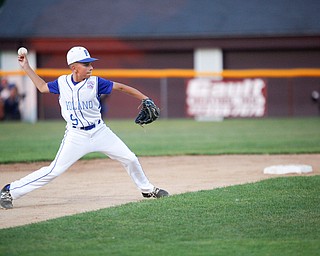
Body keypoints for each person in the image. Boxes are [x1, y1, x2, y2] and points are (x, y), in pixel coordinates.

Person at [0, 46, 169, 209]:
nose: (91, 67)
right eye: (86, 64)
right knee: (53, 170)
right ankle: (10, 191)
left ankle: (147, 190)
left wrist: (145, 98)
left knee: (130, 158)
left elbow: (121, 87)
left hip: (99, 131)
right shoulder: (62, 83)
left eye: (90, 63)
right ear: (74, 67)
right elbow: (42, 87)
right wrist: (27, 67)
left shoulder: (96, 82)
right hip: (76, 135)